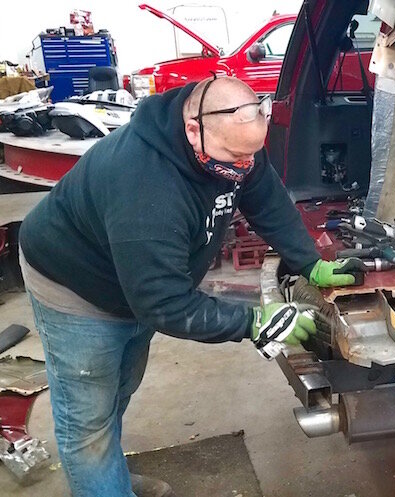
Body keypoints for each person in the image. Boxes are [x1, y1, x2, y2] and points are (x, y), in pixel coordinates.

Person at [18, 76, 364, 497]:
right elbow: (164, 305)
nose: (243, 167)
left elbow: (267, 199)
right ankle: (100, 479)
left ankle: (107, 475)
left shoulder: (234, 143)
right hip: (75, 287)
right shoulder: (144, 182)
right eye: (234, 156)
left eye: (250, 155)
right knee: (87, 417)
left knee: (119, 388)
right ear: (193, 129)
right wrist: (254, 321)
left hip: (137, 280)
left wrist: (310, 263)